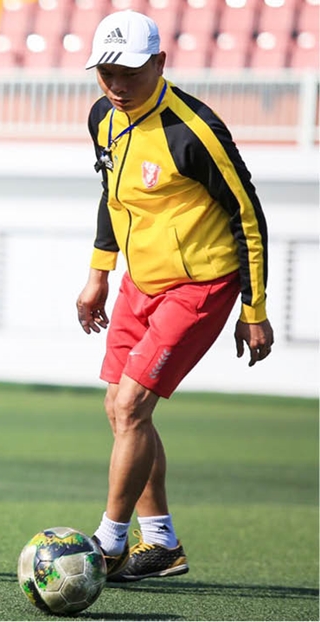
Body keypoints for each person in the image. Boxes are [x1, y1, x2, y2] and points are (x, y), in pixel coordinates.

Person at [75, 10, 274, 583]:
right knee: (118, 408)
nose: (115, 84)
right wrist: (99, 273)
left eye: (129, 72)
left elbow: (248, 216)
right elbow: (113, 196)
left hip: (201, 283)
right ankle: (161, 542)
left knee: (132, 407)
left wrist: (253, 308)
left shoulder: (196, 131)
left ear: (160, 63)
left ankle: (108, 543)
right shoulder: (103, 118)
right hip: (141, 280)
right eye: (105, 70)